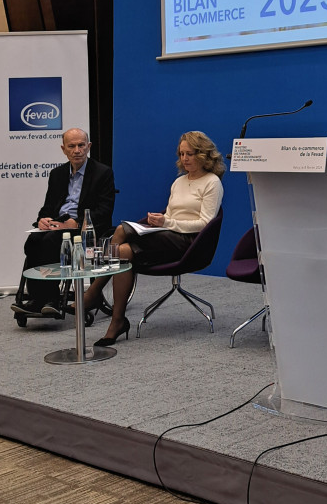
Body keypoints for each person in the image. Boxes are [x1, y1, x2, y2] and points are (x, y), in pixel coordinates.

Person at [82, 131, 225, 346]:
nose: (184, 159)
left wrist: (168, 223)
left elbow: (205, 223)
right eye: (181, 153)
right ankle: (116, 320)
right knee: (121, 245)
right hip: (166, 236)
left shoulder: (212, 182)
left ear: (204, 155)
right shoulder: (178, 182)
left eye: (190, 154)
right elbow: (172, 215)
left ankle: (94, 293)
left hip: (189, 243)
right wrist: (161, 220)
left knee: (120, 237)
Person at [13, 127, 116, 318]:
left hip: (85, 229)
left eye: (81, 145)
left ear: (88, 146)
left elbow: (105, 210)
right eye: (72, 146)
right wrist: (42, 220)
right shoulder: (57, 174)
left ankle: (50, 298)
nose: (77, 150)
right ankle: (38, 298)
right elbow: (48, 207)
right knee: (34, 241)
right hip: (58, 225)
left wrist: (76, 223)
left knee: (51, 241)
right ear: (64, 149)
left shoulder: (103, 173)